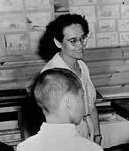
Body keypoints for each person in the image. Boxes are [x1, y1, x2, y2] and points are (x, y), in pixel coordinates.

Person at [41, 14, 101, 144]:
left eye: (83, 38)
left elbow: (91, 105)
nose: (80, 45)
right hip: (66, 138)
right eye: (73, 41)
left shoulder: (82, 66)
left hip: (88, 132)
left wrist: (97, 134)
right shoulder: (51, 73)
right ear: (58, 42)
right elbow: (53, 121)